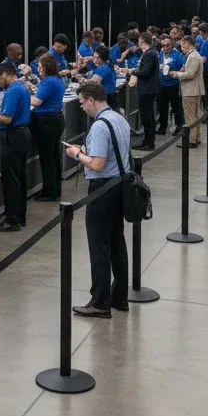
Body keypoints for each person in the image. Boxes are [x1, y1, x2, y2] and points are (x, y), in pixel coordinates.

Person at [64, 82, 130, 318]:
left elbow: (98, 164)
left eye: (82, 102)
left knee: (99, 246)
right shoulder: (118, 117)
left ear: (91, 100)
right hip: (119, 185)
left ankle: (100, 301)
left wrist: (77, 154)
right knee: (116, 242)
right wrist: (87, 149)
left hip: (103, 189)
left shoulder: (100, 126)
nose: (82, 107)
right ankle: (119, 296)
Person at [0, 61, 32, 232]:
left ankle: (11, 219)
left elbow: (7, 118)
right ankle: (20, 215)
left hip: (13, 136)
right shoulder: (22, 87)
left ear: (6, 74)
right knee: (20, 177)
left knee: (10, 179)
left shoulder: (13, 90)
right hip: (22, 134)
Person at [29, 53, 66, 201]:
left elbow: (37, 102)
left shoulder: (48, 81)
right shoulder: (57, 79)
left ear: (46, 67)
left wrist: (24, 95)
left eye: (40, 67)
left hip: (46, 122)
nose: (38, 70)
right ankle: (55, 189)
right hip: (56, 120)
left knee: (47, 158)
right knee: (54, 156)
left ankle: (49, 192)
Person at [133, 32, 161, 151]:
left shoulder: (149, 54)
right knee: (147, 115)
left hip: (146, 89)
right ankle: (147, 140)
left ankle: (149, 142)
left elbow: (145, 73)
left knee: (147, 116)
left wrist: (132, 72)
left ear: (143, 41)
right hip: (148, 88)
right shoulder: (151, 53)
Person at [177, 36, 205, 147]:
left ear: (188, 44)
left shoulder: (193, 56)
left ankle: (191, 139)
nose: (181, 48)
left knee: (190, 116)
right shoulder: (194, 55)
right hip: (194, 89)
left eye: (183, 45)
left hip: (190, 90)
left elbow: (190, 74)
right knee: (195, 114)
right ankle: (196, 137)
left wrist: (177, 74)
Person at [157, 36, 184, 135]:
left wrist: (167, 66)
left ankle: (179, 126)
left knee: (176, 106)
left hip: (173, 83)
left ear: (171, 45)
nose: (165, 47)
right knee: (162, 106)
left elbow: (180, 64)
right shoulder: (160, 53)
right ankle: (162, 126)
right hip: (162, 83)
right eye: (163, 45)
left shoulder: (177, 54)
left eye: (167, 45)